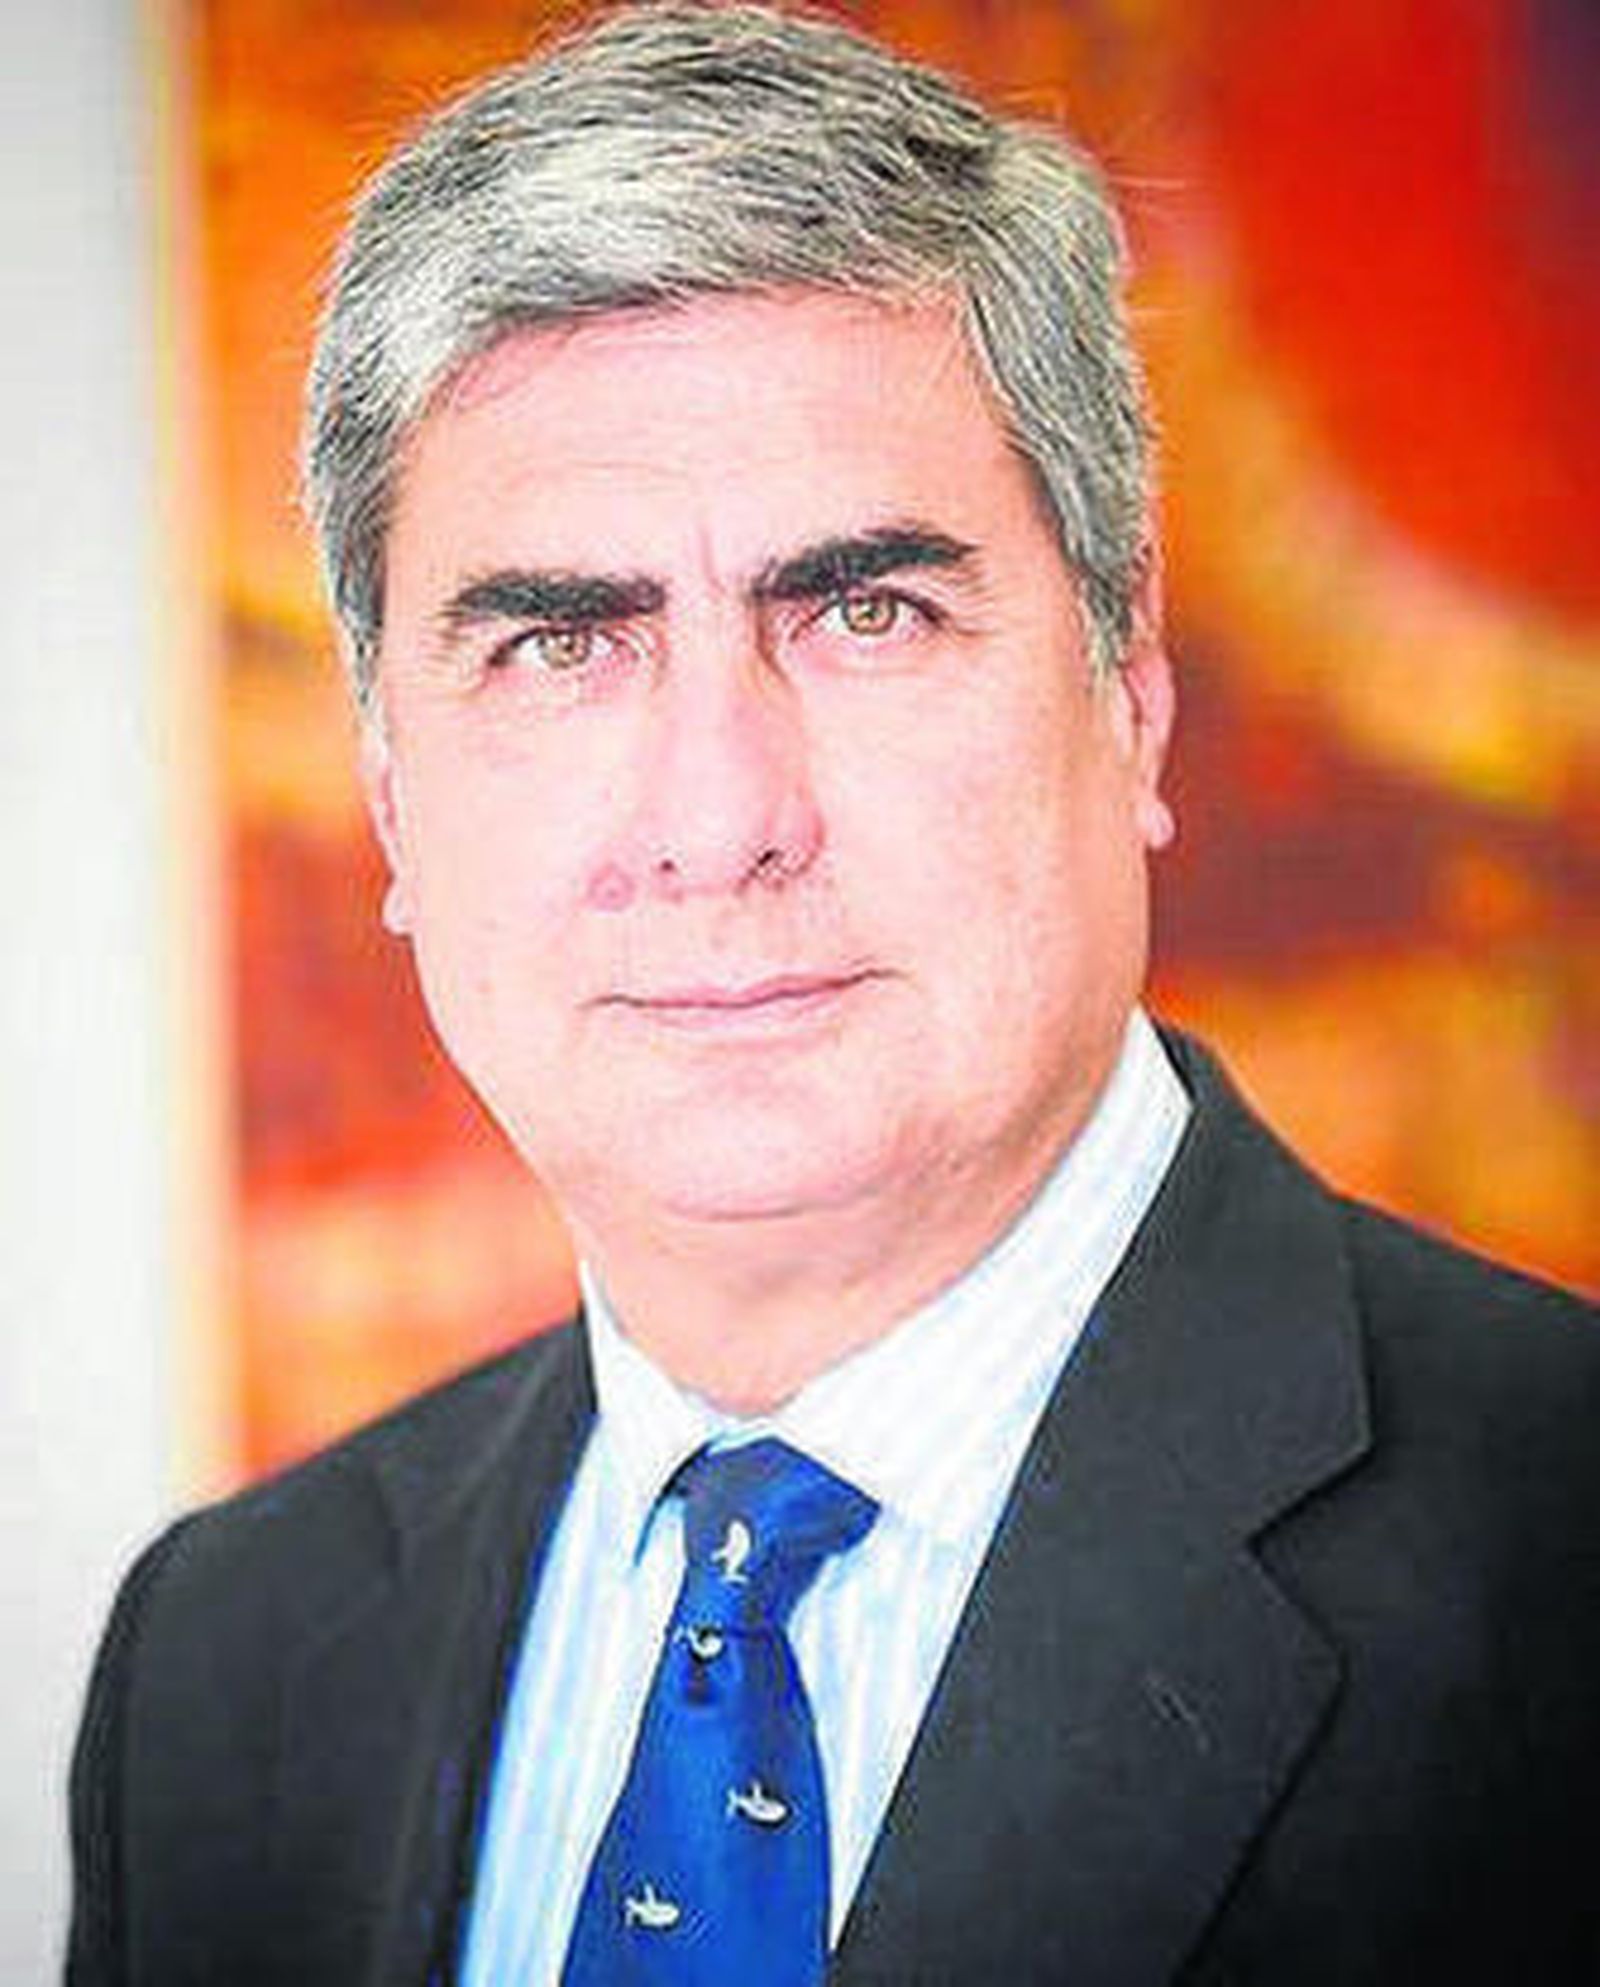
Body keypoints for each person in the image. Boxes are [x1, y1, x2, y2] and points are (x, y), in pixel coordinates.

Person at [67, 5, 1600, 1983]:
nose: (719, 822)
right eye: (559, 645)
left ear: (1129, 694)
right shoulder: (223, 1666)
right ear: (387, 794)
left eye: (867, 611)